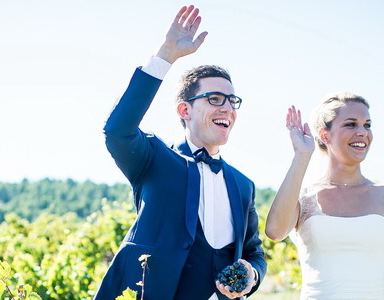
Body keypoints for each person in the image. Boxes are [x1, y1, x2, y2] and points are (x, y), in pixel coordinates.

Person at [94, 5, 266, 300]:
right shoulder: (155, 160)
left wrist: (252, 275)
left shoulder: (243, 185)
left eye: (231, 101)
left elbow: (254, 253)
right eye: (214, 99)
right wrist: (166, 55)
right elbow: (118, 129)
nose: (226, 107)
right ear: (185, 109)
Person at [264, 94, 384, 299]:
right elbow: (274, 231)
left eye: (367, 125)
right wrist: (302, 155)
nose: (362, 132)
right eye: (351, 124)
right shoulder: (305, 198)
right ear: (325, 135)